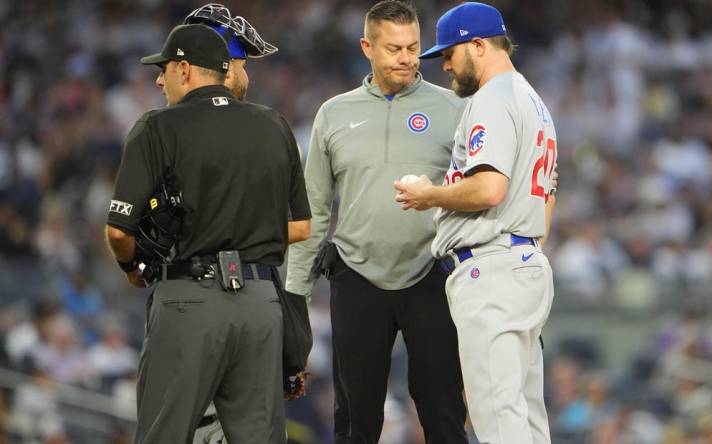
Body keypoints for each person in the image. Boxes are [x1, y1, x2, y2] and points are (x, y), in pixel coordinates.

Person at [104, 23, 310, 443]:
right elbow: (301, 226)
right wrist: (243, 235)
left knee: (164, 434)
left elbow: (118, 232)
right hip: (260, 304)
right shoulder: (274, 124)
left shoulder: (157, 127)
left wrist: (131, 267)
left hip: (189, 299)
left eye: (163, 69)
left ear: (185, 68)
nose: (159, 79)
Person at [285, 1, 468, 442]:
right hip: (357, 275)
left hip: (433, 273)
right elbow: (313, 206)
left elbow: (479, 189)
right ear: (367, 46)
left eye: (413, 47)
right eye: (393, 48)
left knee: (444, 413)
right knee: (355, 419)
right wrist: (295, 291)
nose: (406, 58)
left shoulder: (457, 108)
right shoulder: (334, 113)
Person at [395, 3, 558, 443]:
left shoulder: (493, 100)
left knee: (498, 422)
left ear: (479, 45)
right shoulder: (532, 100)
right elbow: (549, 193)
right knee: (526, 420)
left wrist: (429, 194)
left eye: (450, 52)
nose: (444, 64)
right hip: (521, 262)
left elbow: (489, 189)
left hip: (492, 270)